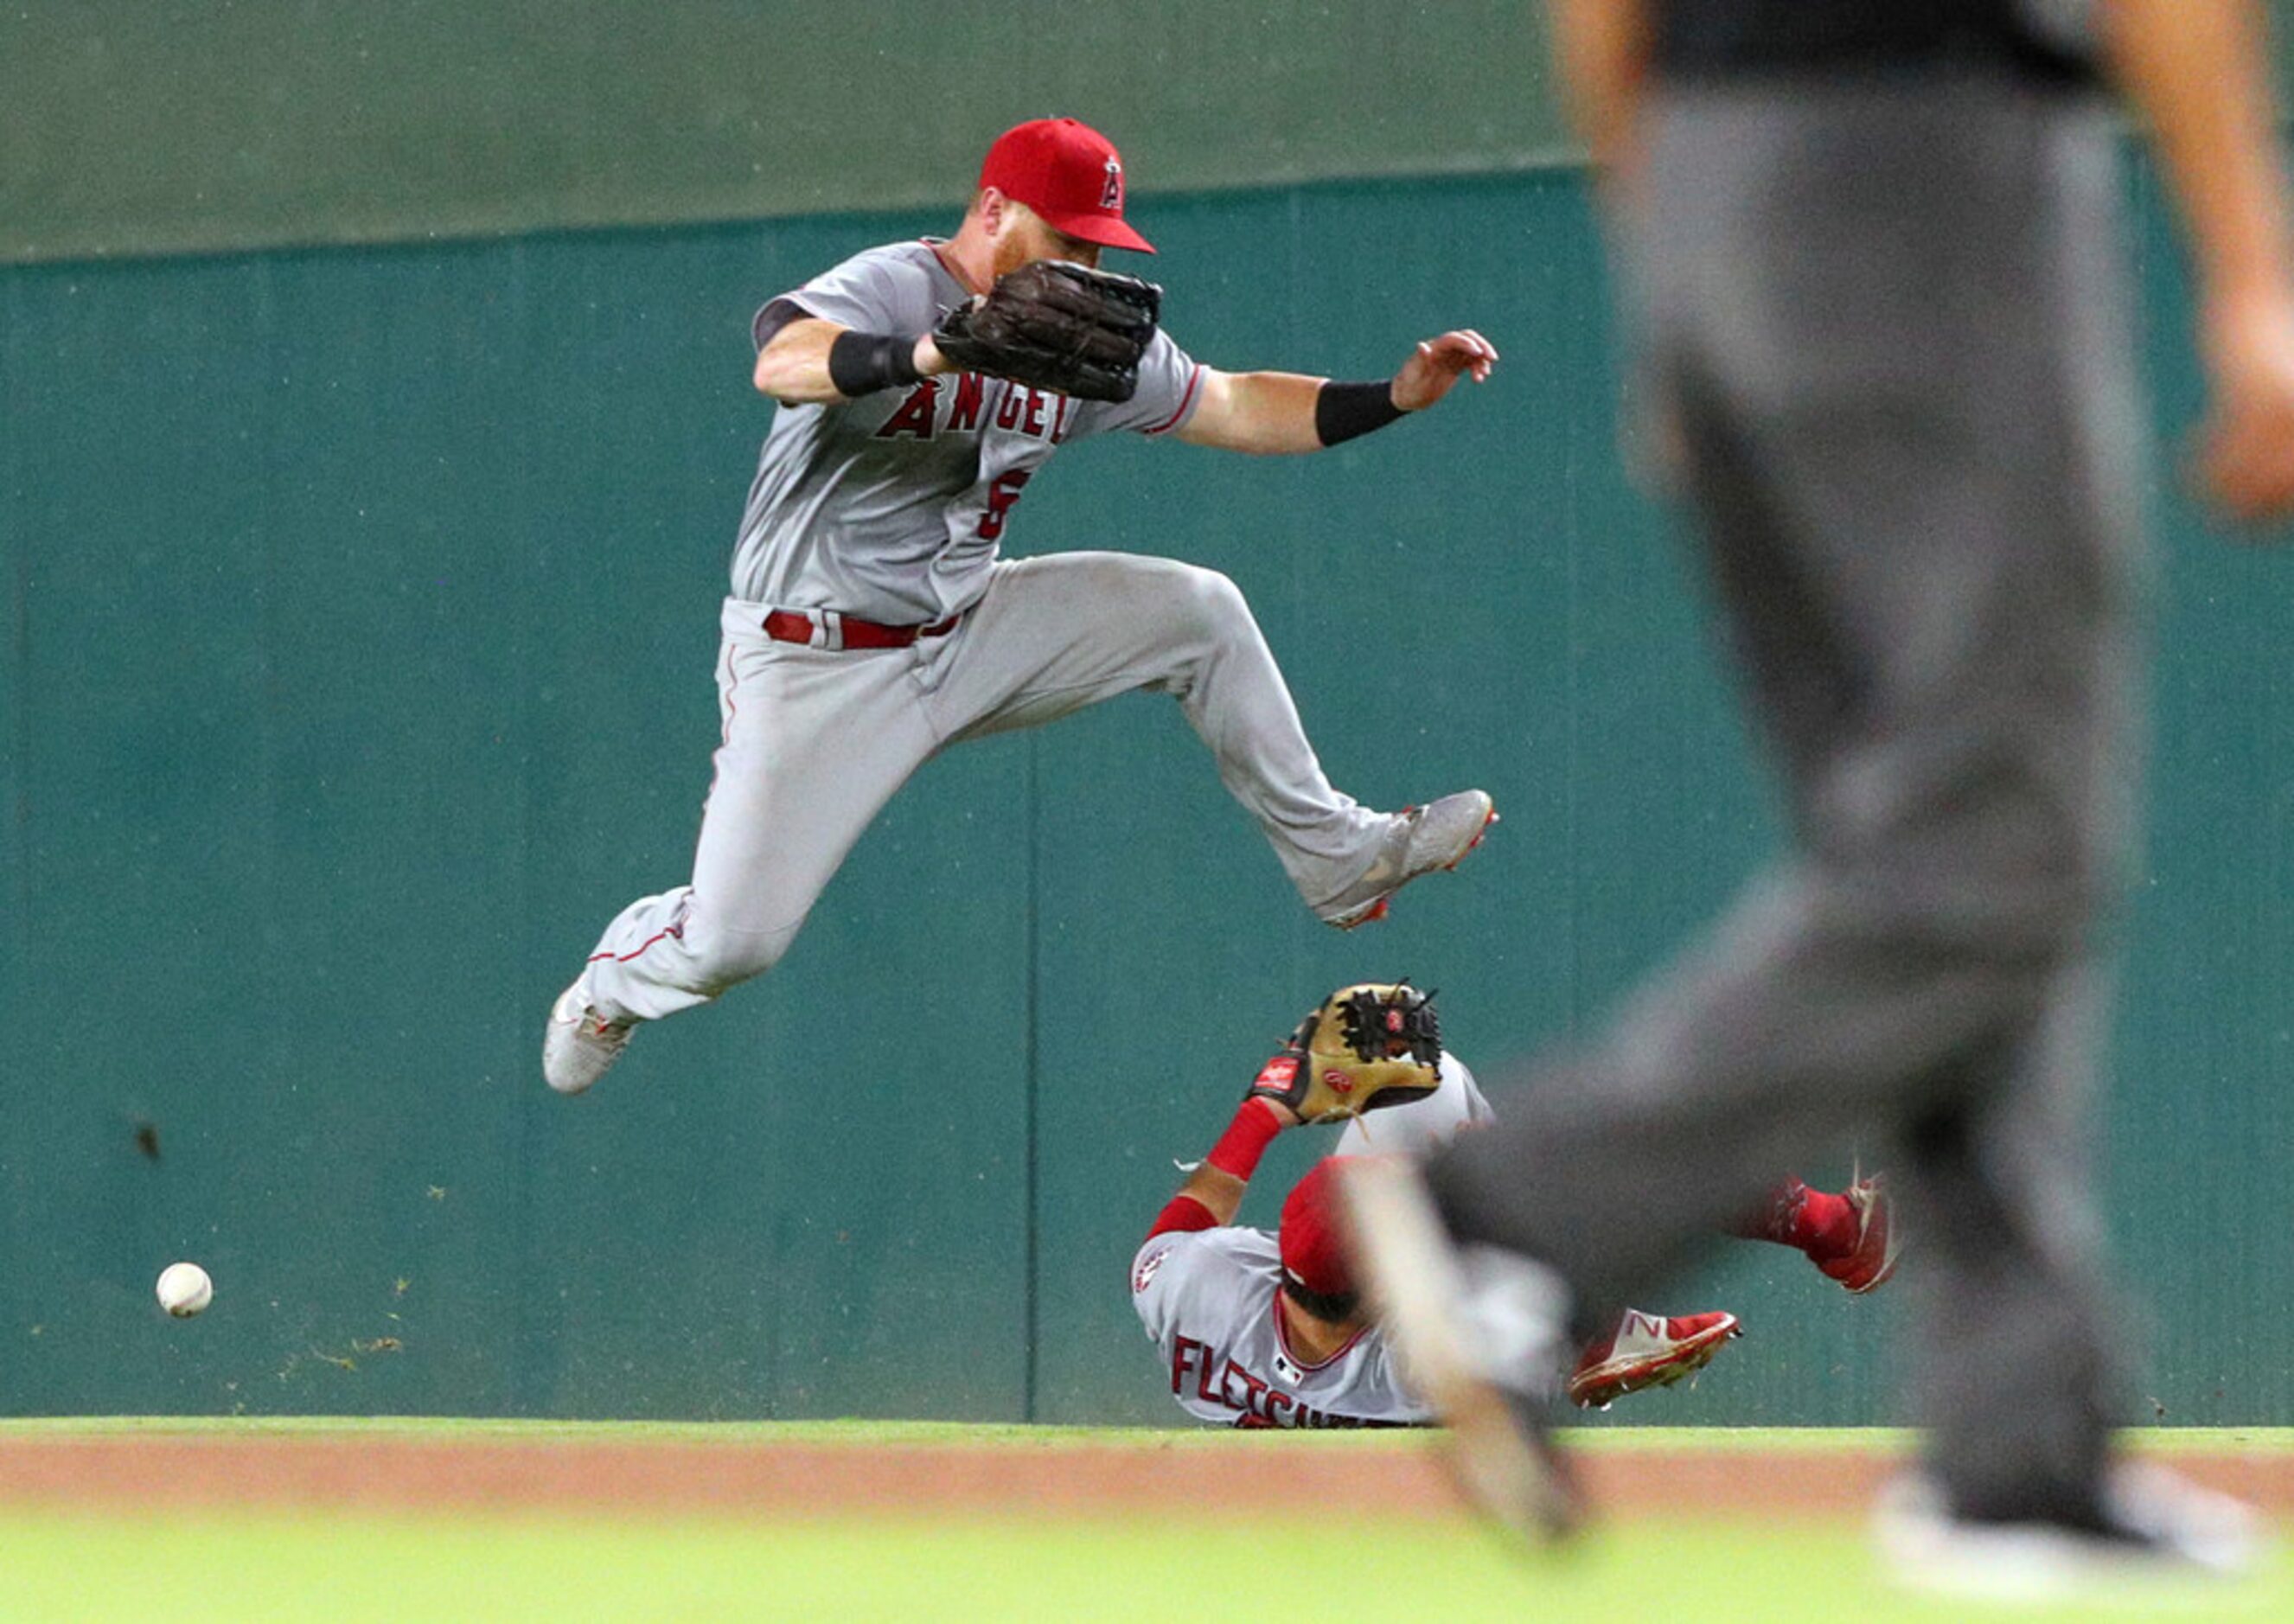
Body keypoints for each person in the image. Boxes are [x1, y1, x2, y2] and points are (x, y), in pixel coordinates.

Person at [1344, 0, 2294, 1593]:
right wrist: (2252, 271)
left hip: (1719, 184)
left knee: (1927, 834)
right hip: (1932, 165)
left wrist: (1665, 268)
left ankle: (2017, 1449)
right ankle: (1507, 1208)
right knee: (2000, 836)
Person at [542, 116, 1500, 1097]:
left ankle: (1338, 857)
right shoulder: (895, 285)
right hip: (815, 659)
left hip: (972, 627)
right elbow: (781, 361)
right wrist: (929, 353)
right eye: (1066, 238)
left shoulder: (1073, 330)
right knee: (729, 946)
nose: (1084, 264)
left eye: (1099, 245)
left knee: (1199, 611)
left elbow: (1231, 404)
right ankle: (612, 985)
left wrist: (1392, 394)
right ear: (994, 211)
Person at [1134, 983, 1895, 1425]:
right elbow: (1180, 1231)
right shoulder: (1424, 1357)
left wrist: (1263, 1111)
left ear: (1283, 1266)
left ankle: (1590, 1326)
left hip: (1371, 1379)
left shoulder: (1197, 1292)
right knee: (1554, 1164)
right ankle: (1824, 1230)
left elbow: (1178, 1234)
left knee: (1430, 1095)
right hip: (1460, 1345)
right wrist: (1264, 1112)